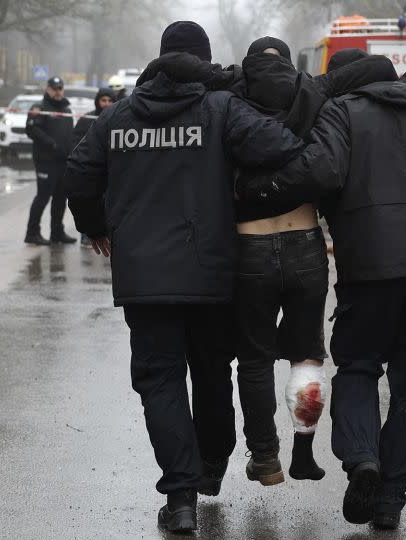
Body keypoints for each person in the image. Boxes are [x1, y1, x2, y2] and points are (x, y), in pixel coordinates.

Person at [65, 21, 307, 534]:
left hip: (143, 276)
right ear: (202, 60)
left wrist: (96, 226)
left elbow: (79, 173)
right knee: (213, 370)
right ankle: (211, 467)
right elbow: (282, 146)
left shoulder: (117, 118)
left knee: (160, 381)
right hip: (211, 269)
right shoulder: (220, 110)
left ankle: (180, 497)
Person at [239, 67, 406, 530]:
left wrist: (257, 193)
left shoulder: (343, 111)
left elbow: (323, 169)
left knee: (358, 367)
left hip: (369, 264)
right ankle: (391, 499)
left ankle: (362, 461)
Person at [227, 40, 398, 487]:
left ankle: (265, 457)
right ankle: (304, 452)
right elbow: (375, 66)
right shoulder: (314, 94)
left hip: (250, 246)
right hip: (305, 242)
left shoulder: (232, 100)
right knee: (306, 355)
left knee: (255, 358)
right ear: (288, 63)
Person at [24, 76, 76, 245]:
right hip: (46, 161)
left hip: (63, 161)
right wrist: (52, 144)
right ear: (47, 89)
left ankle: (57, 232)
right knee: (43, 196)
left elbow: (69, 134)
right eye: (54, 88)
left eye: (60, 88)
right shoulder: (39, 107)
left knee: (61, 198)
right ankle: (32, 233)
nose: (58, 91)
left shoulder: (66, 109)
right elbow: (32, 129)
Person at [71, 87, 117, 246]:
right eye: (103, 100)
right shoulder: (86, 119)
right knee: (89, 201)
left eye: (110, 101)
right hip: (91, 171)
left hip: (111, 171)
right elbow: (76, 144)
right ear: (97, 101)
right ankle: (87, 234)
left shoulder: (119, 118)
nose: (106, 104)